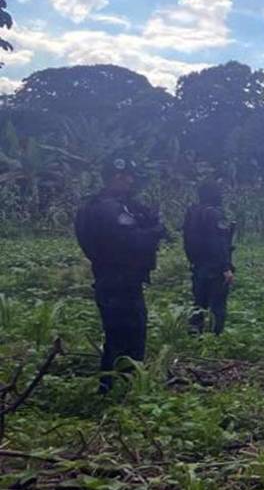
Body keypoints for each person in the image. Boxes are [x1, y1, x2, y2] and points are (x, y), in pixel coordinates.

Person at [73, 157, 166, 392]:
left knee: (116, 336)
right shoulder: (109, 209)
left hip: (109, 278)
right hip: (120, 281)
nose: (130, 181)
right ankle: (120, 390)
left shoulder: (94, 205)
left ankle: (112, 388)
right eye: (127, 177)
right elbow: (131, 242)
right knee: (129, 338)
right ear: (116, 176)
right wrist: (155, 231)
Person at [182, 180, 236, 335]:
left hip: (197, 264)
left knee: (199, 303)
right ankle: (215, 338)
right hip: (214, 267)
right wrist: (226, 268)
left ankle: (194, 335)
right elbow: (218, 242)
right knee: (218, 306)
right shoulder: (214, 214)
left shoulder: (193, 212)